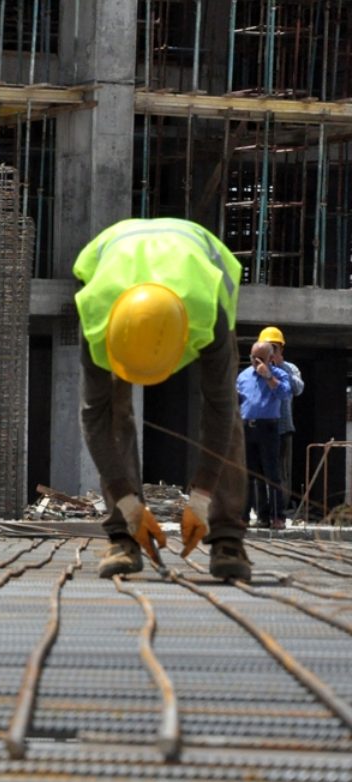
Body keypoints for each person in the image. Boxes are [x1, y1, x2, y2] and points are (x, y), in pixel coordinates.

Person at [73, 218, 252, 581]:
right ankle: (124, 534)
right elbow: (95, 416)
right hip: (119, 289)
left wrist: (201, 496)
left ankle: (228, 538)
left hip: (197, 287)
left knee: (226, 413)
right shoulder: (96, 319)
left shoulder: (209, 314)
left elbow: (218, 409)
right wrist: (128, 502)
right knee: (111, 413)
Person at [237, 339, 293, 530]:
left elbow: (285, 394)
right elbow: (236, 399)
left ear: (270, 358)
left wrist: (268, 377)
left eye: (261, 358)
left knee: (272, 474)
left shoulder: (280, 374)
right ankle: (243, 517)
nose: (256, 362)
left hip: (268, 428)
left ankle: (277, 517)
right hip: (247, 427)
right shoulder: (244, 376)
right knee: (246, 474)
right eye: (253, 357)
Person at [257, 326, 303, 509]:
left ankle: (279, 509)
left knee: (281, 472)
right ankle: (263, 511)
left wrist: (281, 366)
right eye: (268, 347)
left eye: (275, 347)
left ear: (281, 349)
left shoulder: (290, 369)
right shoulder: (256, 369)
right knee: (260, 471)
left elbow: (298, 389)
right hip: (261, 428)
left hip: (283, 428)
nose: (271, 352)